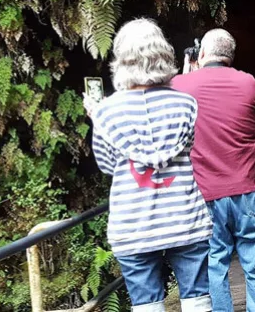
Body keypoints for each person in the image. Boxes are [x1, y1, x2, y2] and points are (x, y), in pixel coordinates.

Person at [85, 18, 212, 312]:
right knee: (197, 298)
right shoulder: (186, 103)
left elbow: (106, 165)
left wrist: (98, 120)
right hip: (184, 216)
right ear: (164, 55)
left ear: (121, 60)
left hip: (133, 223)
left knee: (146, 304)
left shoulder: (106, 111)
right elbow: (188, 149)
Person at [172, 29, 255, 312]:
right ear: (231, 55)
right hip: (247, 188)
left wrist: (188, 71)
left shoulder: (181, 85)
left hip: (205, 192)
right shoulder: (248, 83)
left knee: (215, 264)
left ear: (201, 54)